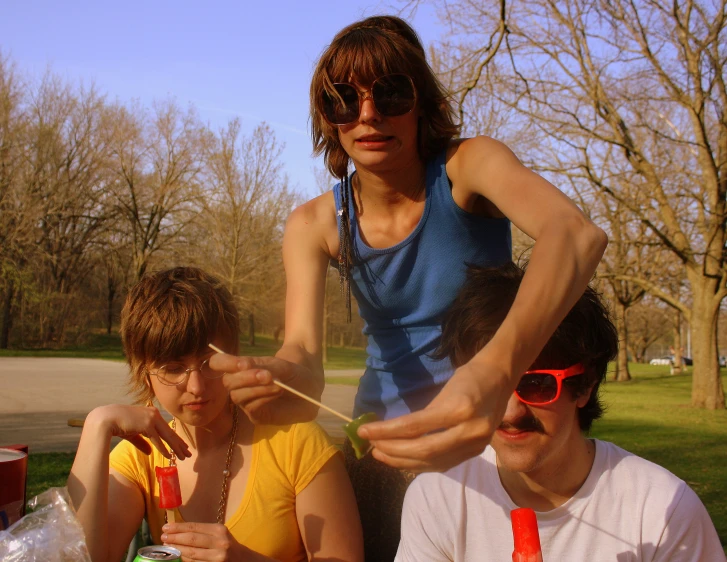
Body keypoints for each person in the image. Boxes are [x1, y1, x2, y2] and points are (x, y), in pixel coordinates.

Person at [209, 14, 607, 561]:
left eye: (391, 92)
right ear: (328, 119)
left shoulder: (469, 167)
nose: (368, 114)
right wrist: (280, 378)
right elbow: (304, 359)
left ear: (422, 104)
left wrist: (496, 373)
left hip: (492, 443)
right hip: (384, 453)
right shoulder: (312, 224)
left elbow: (576, 234)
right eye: (344, 99)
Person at [396, 263, 726, 562]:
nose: (510, 411)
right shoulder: (439, 496)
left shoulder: (661, 511)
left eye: (537, 384)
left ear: (584, 385)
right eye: (490, 385)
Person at [67, 267, 363, 562]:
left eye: (209, 364)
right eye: (173, 368)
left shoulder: (297, 443)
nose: (196, 387)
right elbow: (82, 558)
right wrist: (97, 426)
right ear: (145, 375)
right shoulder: (141, 457)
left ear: (233, 356)